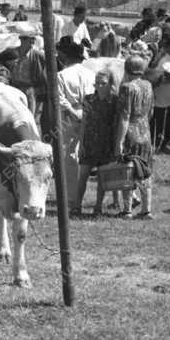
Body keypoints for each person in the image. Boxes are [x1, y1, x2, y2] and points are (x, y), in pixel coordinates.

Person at [55, 36, 95, 211]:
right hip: (89, 113)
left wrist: (72, 112)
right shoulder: (90, 74)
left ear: (66, 57)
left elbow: (60, 99)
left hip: (69, 116)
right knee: (89, 155)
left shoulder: (61, 75)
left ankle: (72, 197)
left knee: (70, 155)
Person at [114, 55, 155, 218]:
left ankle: (127, 210)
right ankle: (146, 209)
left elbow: (125, 116)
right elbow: (151, 111)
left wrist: (119, 141)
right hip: (145, 132)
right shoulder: (148, 85)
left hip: (130, 132)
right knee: (145, 171)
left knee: (128, 171)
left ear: (126, 69)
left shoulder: (127, 87)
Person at [76, 68, 119, 216]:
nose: (99, 86)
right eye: (97, 83)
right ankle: (77, 206)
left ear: (110, 84)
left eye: (103, 83)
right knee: (82, 176)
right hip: (89, 143)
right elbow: (84, 124)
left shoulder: (115, 101)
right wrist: (80, 145)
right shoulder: (88, 99)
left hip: (106, 143)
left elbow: (117, 123)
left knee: (102, 177)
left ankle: (98, 206)